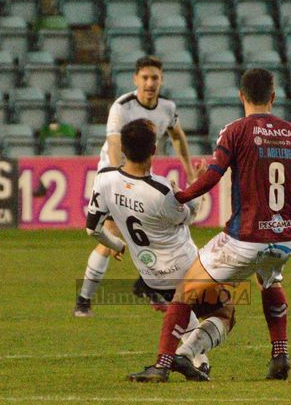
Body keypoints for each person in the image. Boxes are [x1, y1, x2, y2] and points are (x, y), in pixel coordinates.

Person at [127, 68, 291, 383]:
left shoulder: (235, 131)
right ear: (273, 97)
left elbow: (213, 175)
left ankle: (161, 365)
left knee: (185, 290)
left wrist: (181, 196)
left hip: (243, 240)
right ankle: (278, 354)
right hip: (282, 241)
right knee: (270, 282)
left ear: (241, 96)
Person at [87, 118, 222, 380]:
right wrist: (194, 185)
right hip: (184, 268)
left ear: (123, 149)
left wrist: (116, 244)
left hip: (150, 274)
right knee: (223, 315)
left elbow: (92, 228)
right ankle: (182, 356)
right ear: (154, 150)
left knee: (183, 313)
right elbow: (189, 215)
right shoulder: (162, 190)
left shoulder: (104, 179)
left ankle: (199, 362)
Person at [74, 55, 199, 317]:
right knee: (112, 236)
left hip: (141, 177)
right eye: (145, 77)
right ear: (135, 79)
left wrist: (188, 169)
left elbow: (178, 136)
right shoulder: (122, 107)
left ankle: (147, 286)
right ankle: (85, 300)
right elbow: (114, 143)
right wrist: (122, 178)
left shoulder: (167, 107)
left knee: (143, 235)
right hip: (114, 175)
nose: (150, 83)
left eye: (155, 78)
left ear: (161, 80)